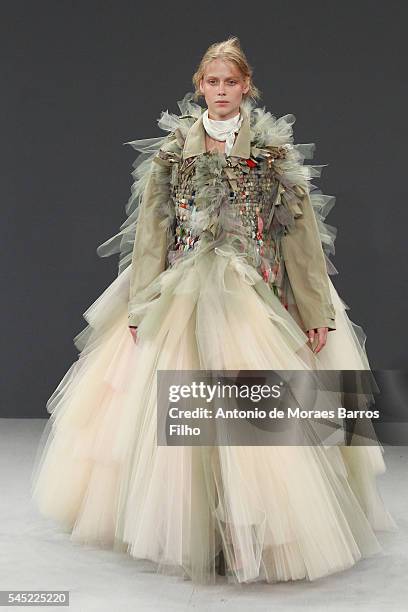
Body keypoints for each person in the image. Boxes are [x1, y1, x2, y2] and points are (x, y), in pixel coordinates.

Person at [30, 36, 397, 585]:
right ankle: (196, 525)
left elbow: (299, 235)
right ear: (199, 87)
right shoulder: (175, 149)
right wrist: (140, 300)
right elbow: (153, 231)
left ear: (247, 86)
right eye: (212, 82)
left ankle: (254, 528)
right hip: (185, 287)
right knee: (178, 398)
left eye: (231, 82)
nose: (221, 91)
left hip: (256, 289)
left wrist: (314, 308)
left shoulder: (271, 151)